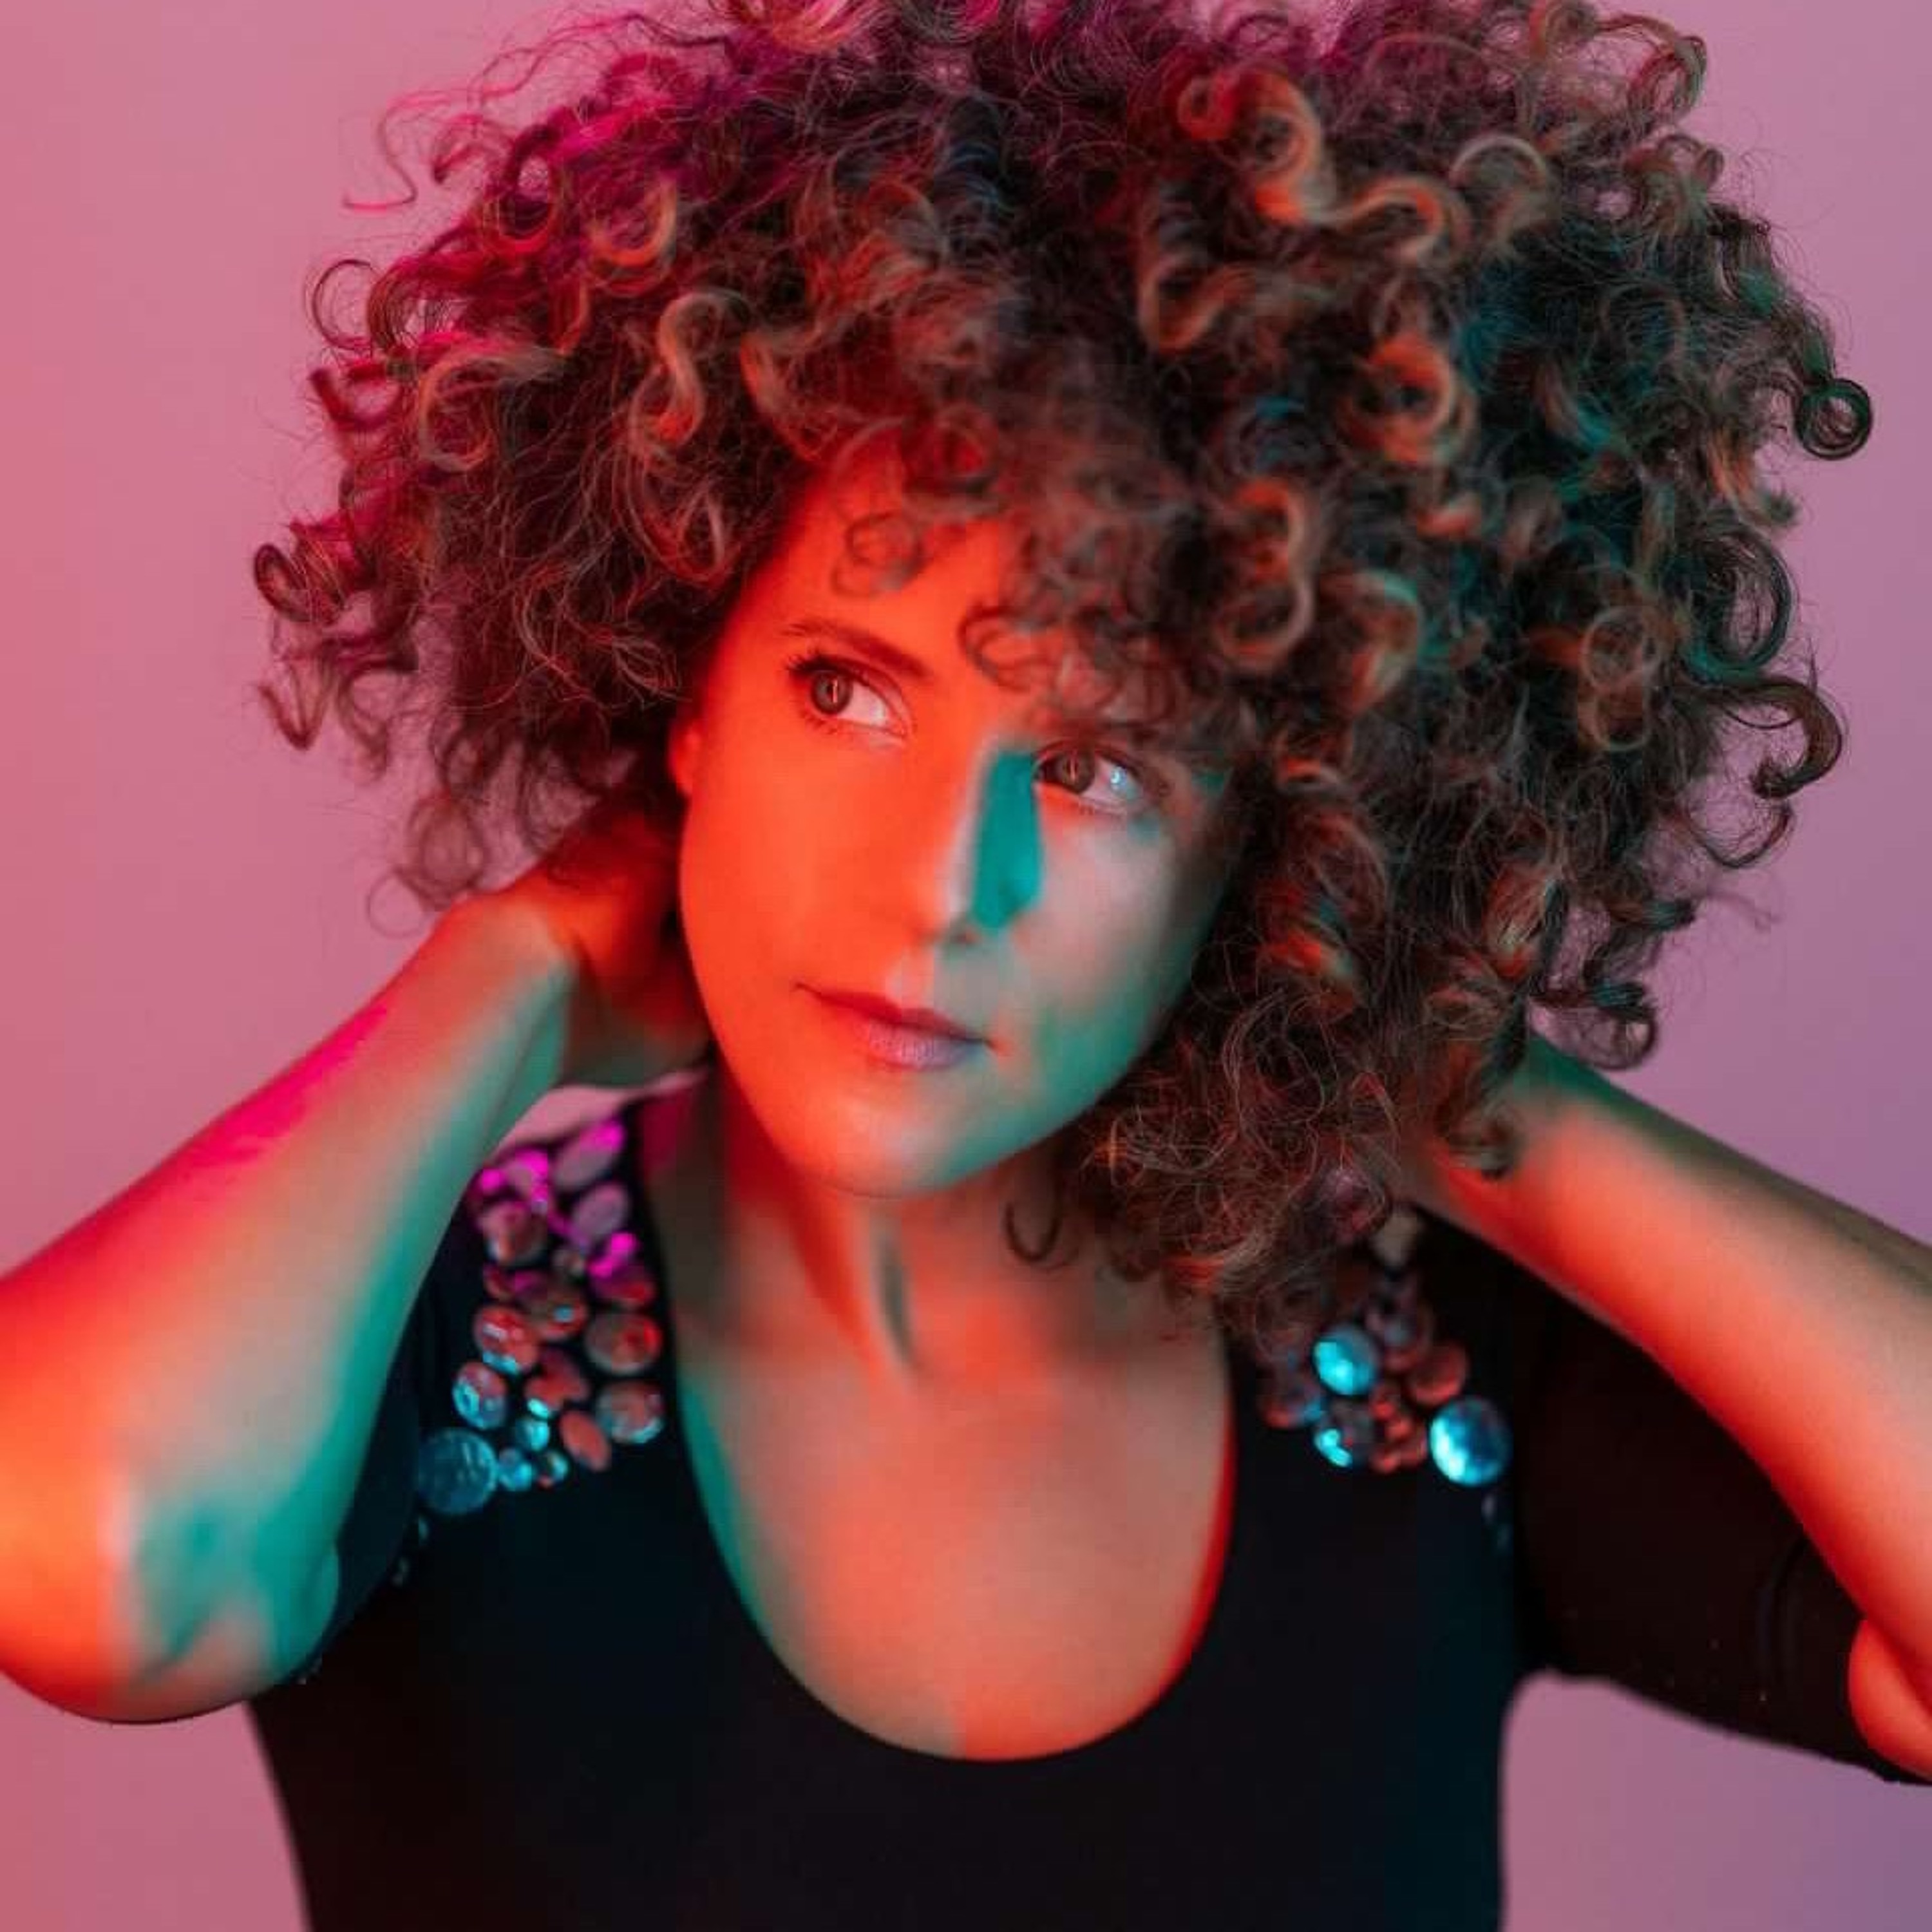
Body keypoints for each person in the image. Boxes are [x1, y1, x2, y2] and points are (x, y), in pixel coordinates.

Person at [2, 2, 1925, 1928]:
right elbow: (92, 1572)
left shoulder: (1427, 1364)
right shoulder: (408, 1340)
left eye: (1095, 769)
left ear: (1282, 836)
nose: (939, 892)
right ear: (687, 681)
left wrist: (1461, 1091)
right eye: (846, 690)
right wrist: (499, 979)